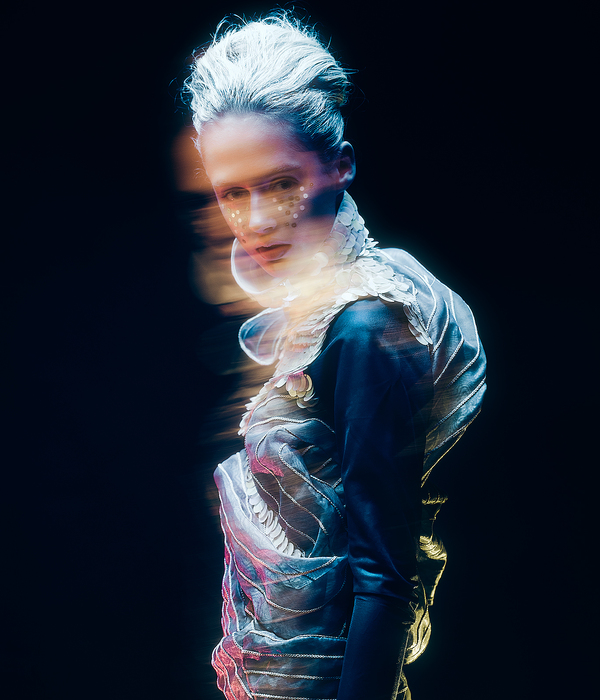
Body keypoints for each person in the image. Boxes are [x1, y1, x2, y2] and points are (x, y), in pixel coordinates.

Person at [185, 12, 486, 699]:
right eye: (232, 193)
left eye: (281, 184)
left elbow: (385, 579)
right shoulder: (315, 314)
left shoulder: (364, 326)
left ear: (341, 165)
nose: (257, 221)